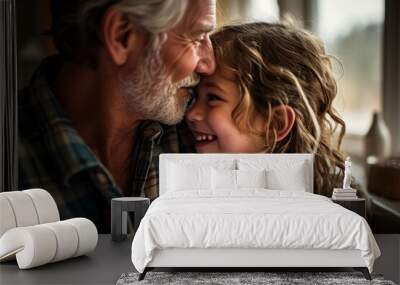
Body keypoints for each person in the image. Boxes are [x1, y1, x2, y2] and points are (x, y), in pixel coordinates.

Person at [18, 0, 216, 232]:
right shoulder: (13, 159)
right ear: (122, 35)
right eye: (196, 38)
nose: (209, 64)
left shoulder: (201, 126)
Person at [186, 22, 346, 196]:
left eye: (213, 98)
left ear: (275, 124)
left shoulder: (333, 201)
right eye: (194, 97)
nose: (191, 113)